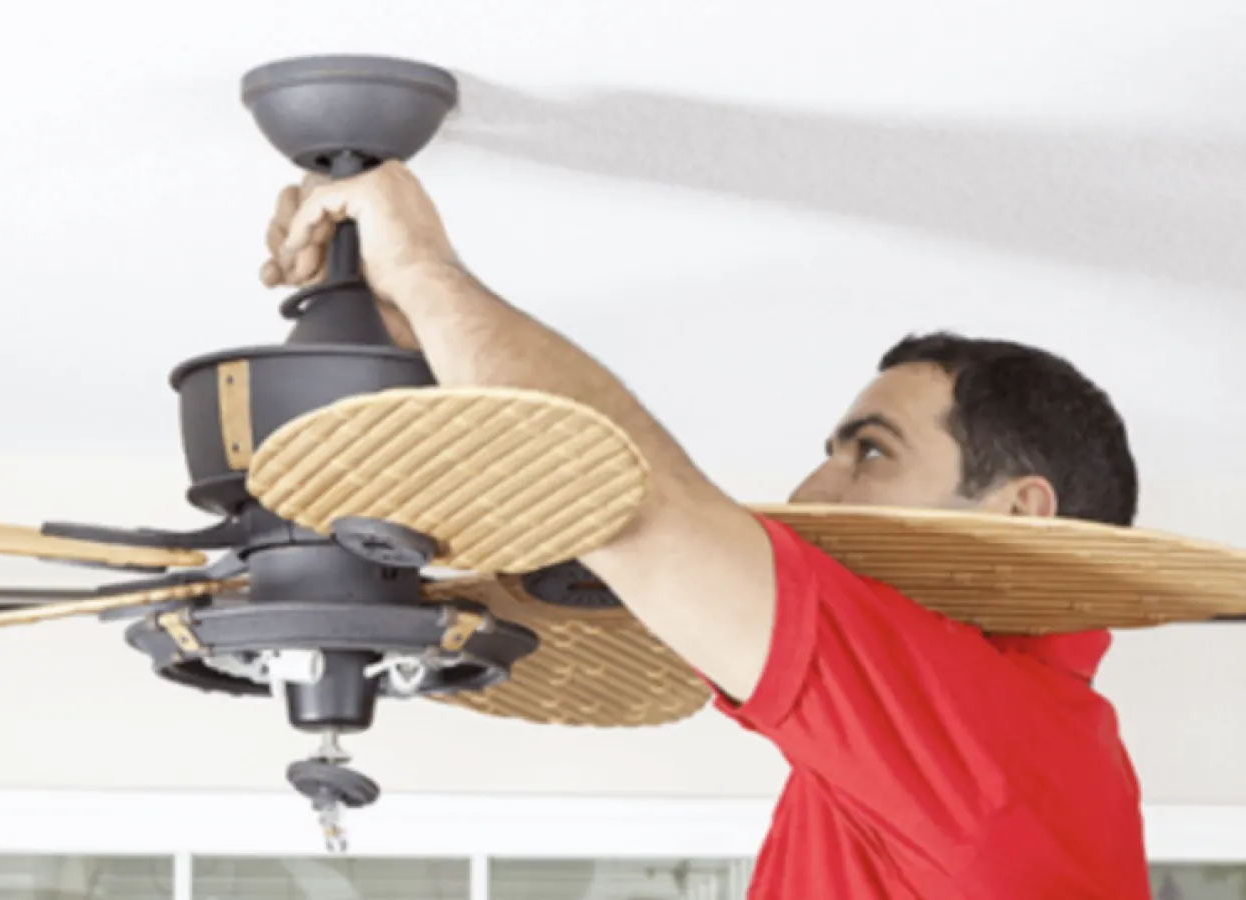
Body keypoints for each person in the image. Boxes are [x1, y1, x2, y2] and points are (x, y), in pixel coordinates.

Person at [261, 162, 1152, 899]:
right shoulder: (1000, 752)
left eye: (871, 455)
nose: (812, 490)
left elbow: (620, 496)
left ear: (1019, 510)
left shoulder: (993, 742)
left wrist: (423, 270)